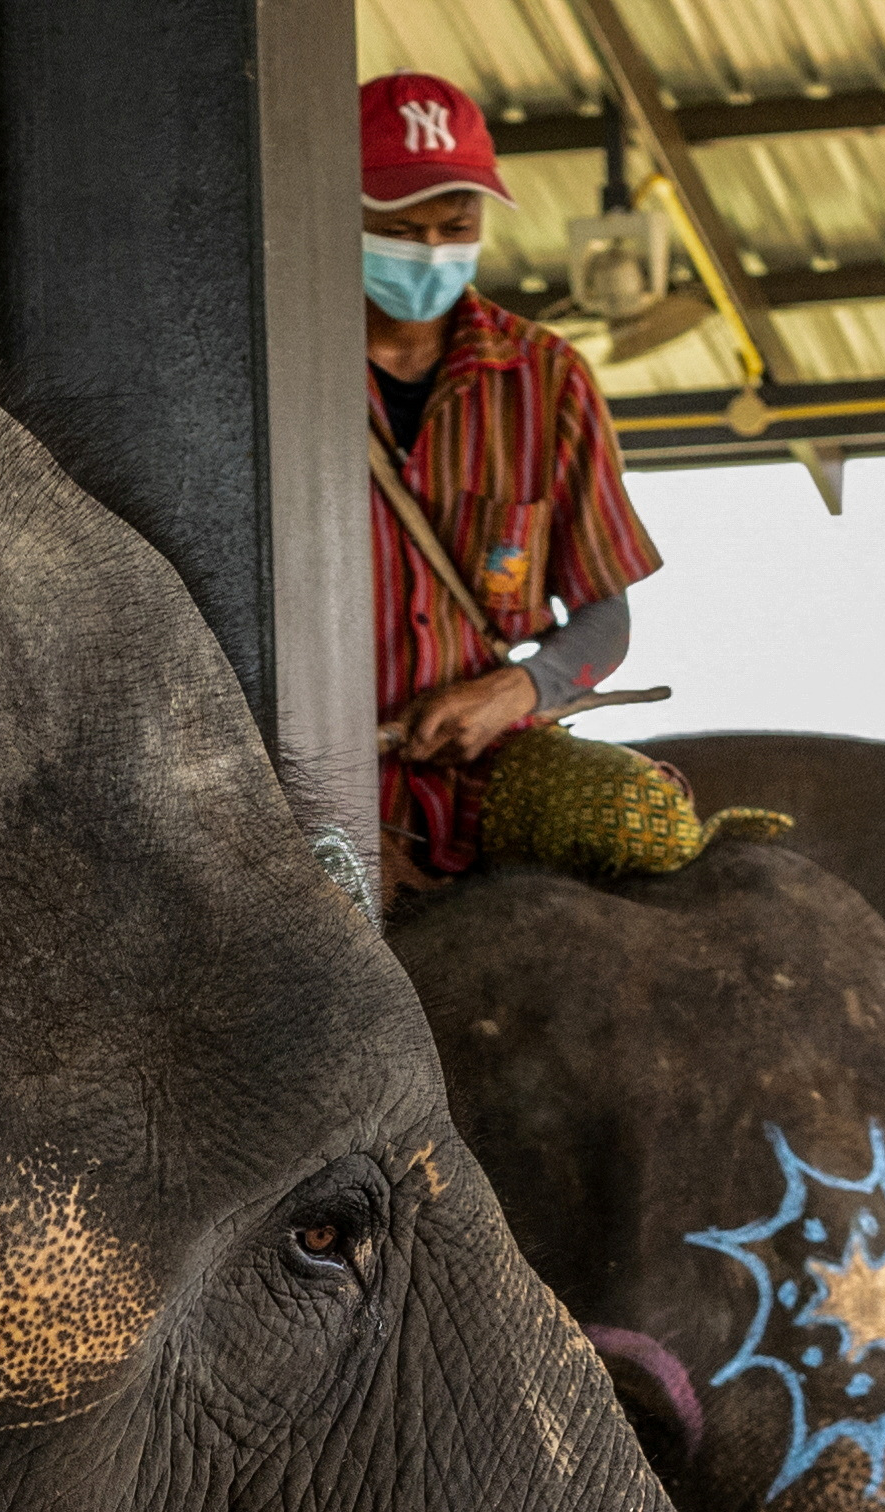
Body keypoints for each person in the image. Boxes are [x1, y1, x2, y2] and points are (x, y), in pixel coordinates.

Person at [357, 72, 660, 895]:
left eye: (455, 226)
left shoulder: (549, 379)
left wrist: (515, 690)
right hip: (307, 784)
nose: (430, 251)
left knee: (647, 820)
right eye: (397, 229)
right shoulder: (270, 376)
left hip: (491, 774)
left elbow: (604, 620)